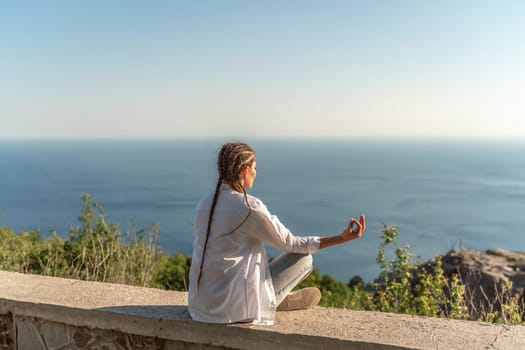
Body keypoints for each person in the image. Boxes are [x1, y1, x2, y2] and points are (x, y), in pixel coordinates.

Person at [188, 141, 366, 325]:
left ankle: (274, 298)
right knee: (304, 258)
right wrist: (341, 238)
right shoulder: (249, 207)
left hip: (200, 308)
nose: (256, 173)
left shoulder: (204, 205)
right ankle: (272, 301)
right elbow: (293, 244)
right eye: (255, 168)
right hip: (233, 311)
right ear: (245, 171)